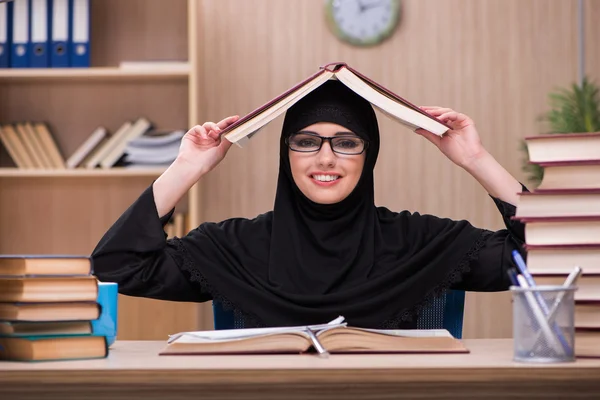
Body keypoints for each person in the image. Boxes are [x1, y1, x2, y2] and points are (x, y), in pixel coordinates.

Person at [91, 80, 527, 330]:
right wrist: (186, 168)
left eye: (345, 143)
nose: (324, 158)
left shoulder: (420, 241)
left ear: (368, 155)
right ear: (286, 153)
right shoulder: (234, 246)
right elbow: (116, 266)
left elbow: (544, 256)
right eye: (305, 142)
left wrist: (475, 159)